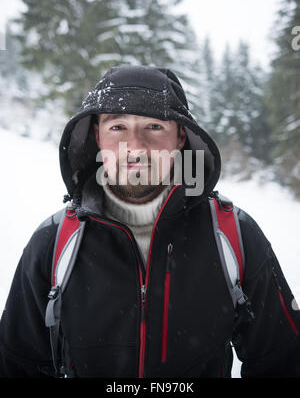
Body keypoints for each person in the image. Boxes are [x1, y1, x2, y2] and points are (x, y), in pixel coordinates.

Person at [0, 65, 299, 378]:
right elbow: (18, 365)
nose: (136, 147)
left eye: (154, 127)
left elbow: (283, 362)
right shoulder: (54, 242)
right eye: (118, 127)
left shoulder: (233, 236)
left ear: (181, 136)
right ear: (97, 135)